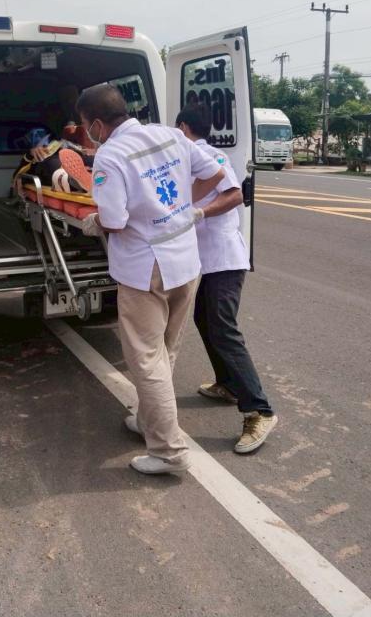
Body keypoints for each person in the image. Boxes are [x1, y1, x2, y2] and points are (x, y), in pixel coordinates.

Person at [77, 84, 225, 475]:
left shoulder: (110, 155)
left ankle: (168, 451)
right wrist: (179, 206)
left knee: (145, 358)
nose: (87, 132)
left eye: (85, 125)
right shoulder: (169, 134)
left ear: (96, 124)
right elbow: (215, 174)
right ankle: (148, 421)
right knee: (166, 350)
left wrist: (94, 222)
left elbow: (114, 220)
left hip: (146, 269)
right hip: (185, 260)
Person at [175, 105, 278, 453]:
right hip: (207, 261)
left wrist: (200, 211)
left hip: (224, 259)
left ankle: (259, 410)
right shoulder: (190, 156)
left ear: (183, 127)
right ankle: (229, 384)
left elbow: (234, 195)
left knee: (224, 329)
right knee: (204, 319)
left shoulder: (209, 155)